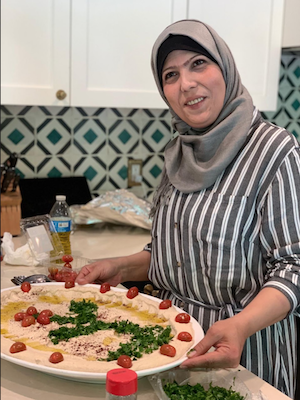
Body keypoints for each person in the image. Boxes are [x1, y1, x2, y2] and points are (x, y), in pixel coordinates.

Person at [76, 19, 300, 398]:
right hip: (168, 347)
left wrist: (241, 326)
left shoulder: (275, 151)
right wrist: (121, 266)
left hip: (244, 357)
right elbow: (178, 251)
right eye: (171, 74)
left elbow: (293, 266)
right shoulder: (180, 151)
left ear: (225, 67)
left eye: (199, 63)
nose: (186, 83)